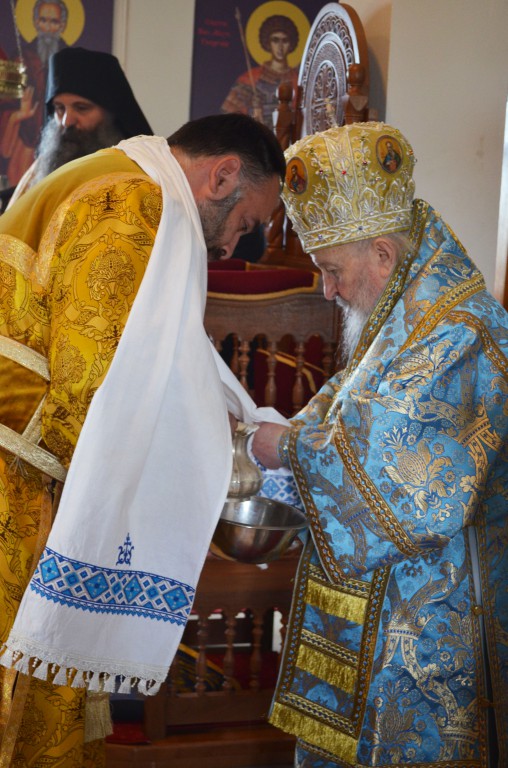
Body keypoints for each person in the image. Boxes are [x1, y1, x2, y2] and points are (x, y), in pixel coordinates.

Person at [0, 113, 285, 765]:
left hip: (26, 458)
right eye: (244, 223)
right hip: (18, 472)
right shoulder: (132, 205)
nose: (230, 246)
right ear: (222, 176)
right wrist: (192, 468)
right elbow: (94, 387)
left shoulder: (125, 177)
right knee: (24, 685)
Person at [251, 121, 508, 766]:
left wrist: (287, 450)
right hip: (390, 607)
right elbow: (349, 408)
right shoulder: (407, 317)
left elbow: (413, 490)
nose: (328, 290)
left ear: (384, 256)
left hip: (436, 621)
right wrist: (291, 435)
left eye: (332, 270)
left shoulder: (459, 332)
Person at [2, 46, 153, 210]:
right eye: (60, 108)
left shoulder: (137, 174)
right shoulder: (40, 169)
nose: (66, 121)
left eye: (81, 108)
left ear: (112, 114)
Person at [0, 0, 68, 188]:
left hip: (61, 144)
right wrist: (19, 114)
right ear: (36, 22)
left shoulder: (71, 60)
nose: (48, 28)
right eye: (43, 20)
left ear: (62, 25)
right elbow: (5, 102)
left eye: (54, 22)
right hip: (25, 145)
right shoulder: (20, 57)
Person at [222, 14, 299, 128]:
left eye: (285, 41)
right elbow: (229, 117)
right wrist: (251, 112)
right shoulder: (251, 78)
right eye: (275, 40)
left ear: (291, 44)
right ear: (268, 43)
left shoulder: (297, 79)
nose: (280, 47)